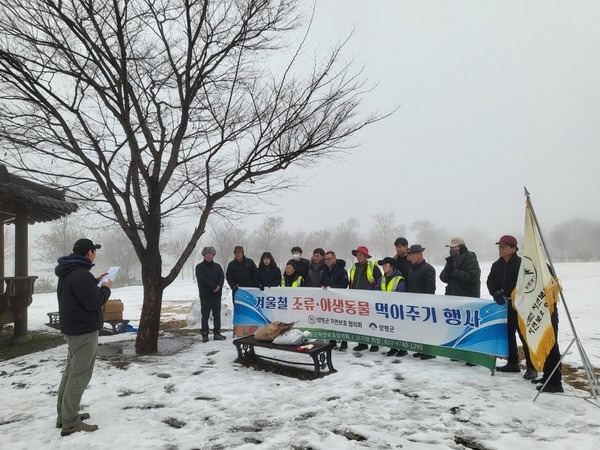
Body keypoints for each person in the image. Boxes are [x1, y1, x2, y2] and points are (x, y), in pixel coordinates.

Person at [55, 238, 112, 436]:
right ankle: (70, 422)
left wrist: (95, 282)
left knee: (71, 372)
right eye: (94, 251)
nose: (94, 254)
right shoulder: (80, 275)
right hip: (83, 332)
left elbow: (81, 295)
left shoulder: (71, 272)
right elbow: (93, 302)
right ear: (89, 252)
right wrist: (105, 288)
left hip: (73, 329)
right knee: (79, 375)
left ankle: (64, 416)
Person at [487, 235, 536, 379]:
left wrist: (503, 291)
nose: (500, 249)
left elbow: (519, 283)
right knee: (508, 334)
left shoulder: (522, 264)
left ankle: (532, 366)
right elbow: (490, 281)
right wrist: (496, 294)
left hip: (520, 305)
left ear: (513, 249)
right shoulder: (497, 265)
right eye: (499, 246)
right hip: (504, 304)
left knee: (524, 335)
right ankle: (513, 362)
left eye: (503, 246)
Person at [405, 244, 436, 359]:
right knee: (417, 329)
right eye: (410, 254)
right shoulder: (411, 268)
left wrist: (427, 303)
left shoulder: (428, 269)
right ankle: (421, 349)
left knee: (426, 329)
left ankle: (429, 352)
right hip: (413, 304)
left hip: (424, 304)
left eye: (413, 254)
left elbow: (431, 289)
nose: (412, 257)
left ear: (420, 255)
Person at [349, 246, 382, 352]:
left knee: (372, 322)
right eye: (357, 255)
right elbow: (352, 282)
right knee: (360, 322)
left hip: (370, 299)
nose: (358, 257)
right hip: (357, 298)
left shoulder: (373, 267)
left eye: (360, 255)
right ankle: (362, 343)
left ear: (366, 256)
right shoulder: (354, 267)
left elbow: (379, 281)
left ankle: (374, 343)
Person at [376, 256, 407, 357]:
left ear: (392, 266)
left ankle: (402, 349)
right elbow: (377, 290)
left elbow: (401, 292)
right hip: (385, 309)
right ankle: (393, 348)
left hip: (396, 309)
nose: (383, 267)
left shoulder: (399, 279)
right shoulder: (382, 278)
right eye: (383, 265)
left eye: (386, 265)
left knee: (399, 329)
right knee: (390, 329)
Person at [195, 247, 226, 343]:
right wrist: (213, 287)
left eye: (211, 254)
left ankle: (217, 333)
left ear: (213, 255)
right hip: (205, 295)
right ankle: (205, 334)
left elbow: (222, 277)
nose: (209, 255)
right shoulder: (199, 267)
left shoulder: (218, 266)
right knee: (205, 315)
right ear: (204, 255)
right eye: (207, 254)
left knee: (217, 315)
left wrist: (219, 286)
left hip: (216, 295)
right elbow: (202, 279)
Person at [320, 251, 349, 350]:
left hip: (339, 300)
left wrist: (331, 287)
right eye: (326, 259)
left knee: (341, 321)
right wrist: (323, 286)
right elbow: (322, 281)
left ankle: (344, 341)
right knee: (330, 320)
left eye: (329, 259)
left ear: (334, 259)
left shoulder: (341, 270)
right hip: (328, 300)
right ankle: (332, 340)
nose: (327, 261)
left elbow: (344, 284)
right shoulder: (324, 270)